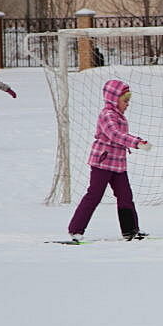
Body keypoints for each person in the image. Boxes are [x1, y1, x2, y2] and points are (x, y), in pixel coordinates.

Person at [67, 79, 151, 242]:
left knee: (125, 196)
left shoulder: (119, 115)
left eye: (128, 101)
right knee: (94, 195)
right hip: (102, 163)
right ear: (113, 99)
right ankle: (75, 229)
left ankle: (130, 231)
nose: (127, 104)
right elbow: (115, 135)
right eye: (125, 100)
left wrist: (137, 141)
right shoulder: (107, 115)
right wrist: (136, 143)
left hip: (118, 164)